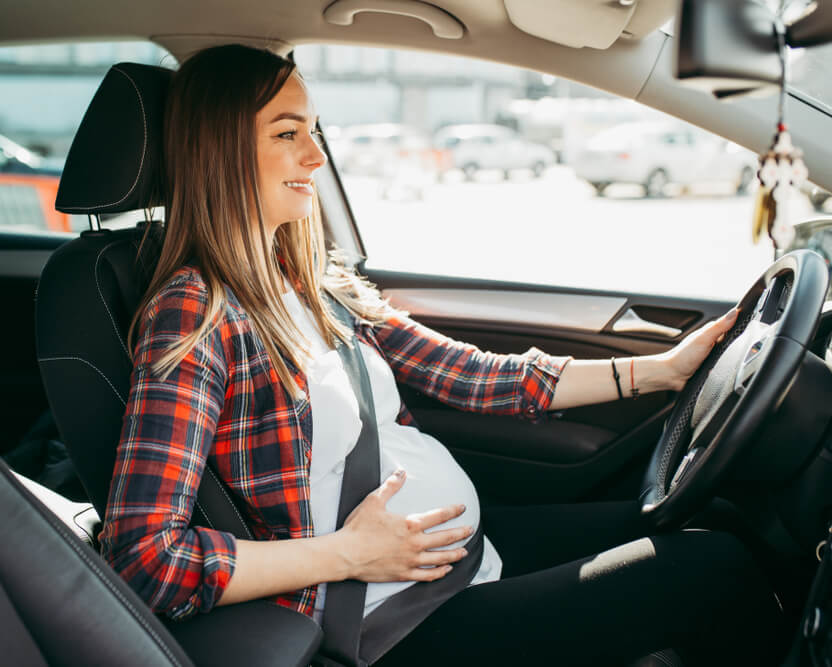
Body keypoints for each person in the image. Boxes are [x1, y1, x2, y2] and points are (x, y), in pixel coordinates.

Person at [99, 44, 784, 665]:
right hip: (397, 620)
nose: (317, 155)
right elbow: (143, 559)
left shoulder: (310, 279)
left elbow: (470, 373)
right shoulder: (195, 311)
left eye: (315, 131)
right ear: (219, 152)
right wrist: (347, 553)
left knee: (713, 514)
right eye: (288, 134)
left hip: (467, 551)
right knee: (713, 568)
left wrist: (659, 369)